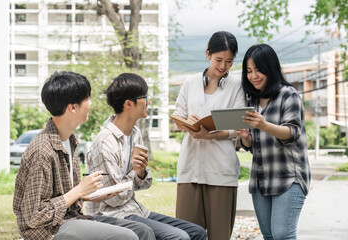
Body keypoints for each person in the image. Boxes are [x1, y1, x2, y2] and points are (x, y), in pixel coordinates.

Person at [13, 71, 155, 240]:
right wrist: (79, 190)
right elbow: (34, 216)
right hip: (47, 231)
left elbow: (64, 198)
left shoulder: (69, 141)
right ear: (73, 107)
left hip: (71, 218)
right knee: (127, 237)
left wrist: (88, 195)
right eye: (87, 99)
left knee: (143, 231)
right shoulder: (42, 151)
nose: (90, 103)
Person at [85, 73, 207, 240]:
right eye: (144, 97)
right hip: (111, 214)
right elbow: (114, 199)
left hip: (135, 210)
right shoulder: (105, 143)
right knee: (179, 237)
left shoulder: (135, 133)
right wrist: (135, 173)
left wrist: (141, 172)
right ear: (128, 104)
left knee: (197, 233)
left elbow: (145, 183)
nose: (148, 101)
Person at [172, 31, 246, 239]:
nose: (223, 66)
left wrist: (210, 135)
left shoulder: (237, 86)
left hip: (221, 172)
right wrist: (189, 124)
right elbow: (177, 118)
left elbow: (238, 128)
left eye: (229, 61)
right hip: (189, 170)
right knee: (185, 234)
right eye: (219, 60)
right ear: (208, 55)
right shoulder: (190, 83)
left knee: (220, 235)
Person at [236, 44, 311, 240]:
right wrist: (245, 137)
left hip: (289, 177)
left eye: (259, 70)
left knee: (282, 234)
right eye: (249, 71)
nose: (254, 76)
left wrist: (263, 124)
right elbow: (256, 144)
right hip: (261, 179)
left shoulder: (288, 95)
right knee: (268, 236)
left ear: (271, 68)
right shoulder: (251, 100)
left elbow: (293, 132)